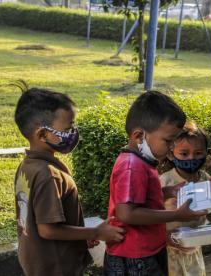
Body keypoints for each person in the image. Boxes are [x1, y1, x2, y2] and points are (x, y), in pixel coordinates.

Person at [13, 84, 125, 276]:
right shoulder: (48, 174)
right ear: (42, 134)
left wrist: (80, 236)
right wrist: (95, 232)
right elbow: (48, 230)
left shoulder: (27, 166)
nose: (73, 132)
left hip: (37, 262)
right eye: (68, 128)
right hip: (57, 267)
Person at [104, 91, 208, 276]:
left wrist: (167, 191)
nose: (170, 147)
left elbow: (141, 199)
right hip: (135, 256)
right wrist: (175, 215)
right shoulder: (132, 166)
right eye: (168, 141)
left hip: (146, 250)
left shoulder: (142, 161)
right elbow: (127, 213)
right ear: (139, 136)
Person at [160, 121, 211, 276]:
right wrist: (164, 237)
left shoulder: (206, 180)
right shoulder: (164, 182)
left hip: (194, 250)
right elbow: (150, 214)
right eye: (184, 153)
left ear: (207, 152)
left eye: (198, 153)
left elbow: (209, 206)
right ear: (170, 154)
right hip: (169, 251)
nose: (191, 158)